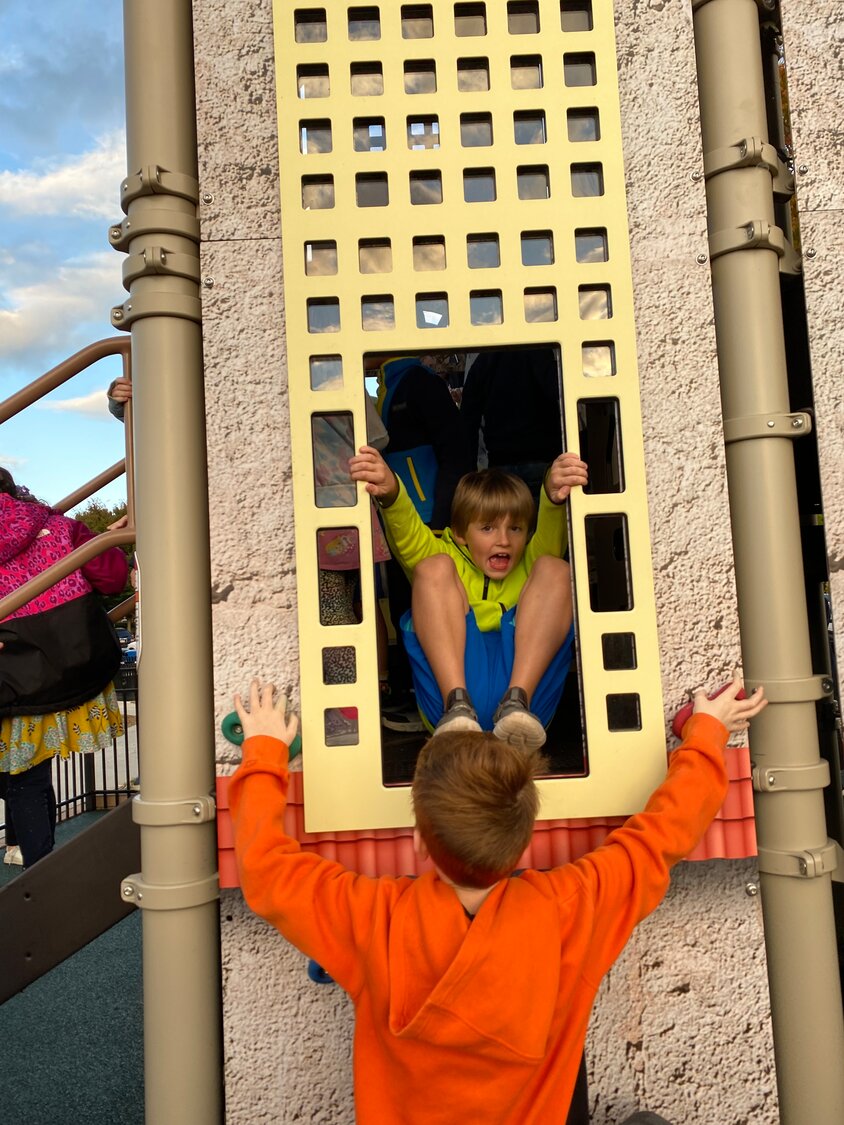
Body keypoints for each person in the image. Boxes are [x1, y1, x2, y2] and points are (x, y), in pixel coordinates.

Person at [229, 675, 767, 1125]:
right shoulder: (571, 910)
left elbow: (264, 868)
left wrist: (264, 751)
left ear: (419, 841)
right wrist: (706, 735)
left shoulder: (373, 920)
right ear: (524, 837)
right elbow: (662, 833)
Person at [349, 444, 588, 748]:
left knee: (555, 569)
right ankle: (457, 705)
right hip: (450, 692)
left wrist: (553, 496)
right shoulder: (444, 553)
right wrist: (391, 492)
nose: (503, 540)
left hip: (527, 701)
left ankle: (516, 701)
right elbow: (408, 533)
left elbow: (550, 539)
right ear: (461, 534)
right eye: (487, 528)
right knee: (433, 569)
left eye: (515, 528)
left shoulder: (529, 560)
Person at [0, 469, 128, 868]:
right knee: (30, 776)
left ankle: (21, 847)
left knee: (18, 775)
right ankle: (39, 872)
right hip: (72, 661)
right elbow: (111, 579)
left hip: (9, 672)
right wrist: (105, 541)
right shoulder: (58, 526)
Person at [460, 347, 564, 502]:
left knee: (506, 523)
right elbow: (558, 390)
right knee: (545, 519)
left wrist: (470, 472)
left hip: (500, 462)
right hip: (542, 457)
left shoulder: (485, 359)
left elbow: (468, 419)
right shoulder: (538, 350)